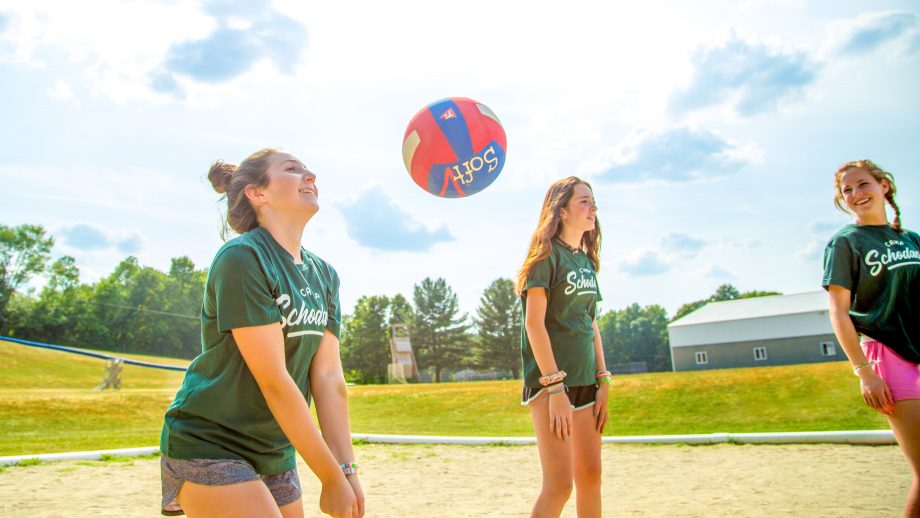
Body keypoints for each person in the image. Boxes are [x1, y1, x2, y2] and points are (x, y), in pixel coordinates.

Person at [159, 148, 364, 518]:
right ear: (258, 193)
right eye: (292, 169)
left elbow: (329, 378)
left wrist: (346, 471)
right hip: (211, 440)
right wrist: (329, 477)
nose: (310, 175)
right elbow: (273, 379)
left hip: (274, 448)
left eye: (307, 169)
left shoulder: (325, 275)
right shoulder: (243, 257)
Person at [823, 159, 920, 517]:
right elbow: (838, 311)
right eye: (847, 190)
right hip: (887, 357)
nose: (855, 194)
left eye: (862, 184)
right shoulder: (845, 243)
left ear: (884, 186)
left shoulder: (911, 239)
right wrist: (864, 371)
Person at [516, 176, 609, 518]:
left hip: (587, 382)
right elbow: (533, 324)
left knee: (591, 477)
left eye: (593, 201)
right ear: (562, 211)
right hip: (551, 386)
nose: (593, 208)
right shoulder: (545, 257)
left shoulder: (586, 262)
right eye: (584, 201)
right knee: (559, 486)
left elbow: (591, 324)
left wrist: (603, 381)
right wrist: (555, 388)